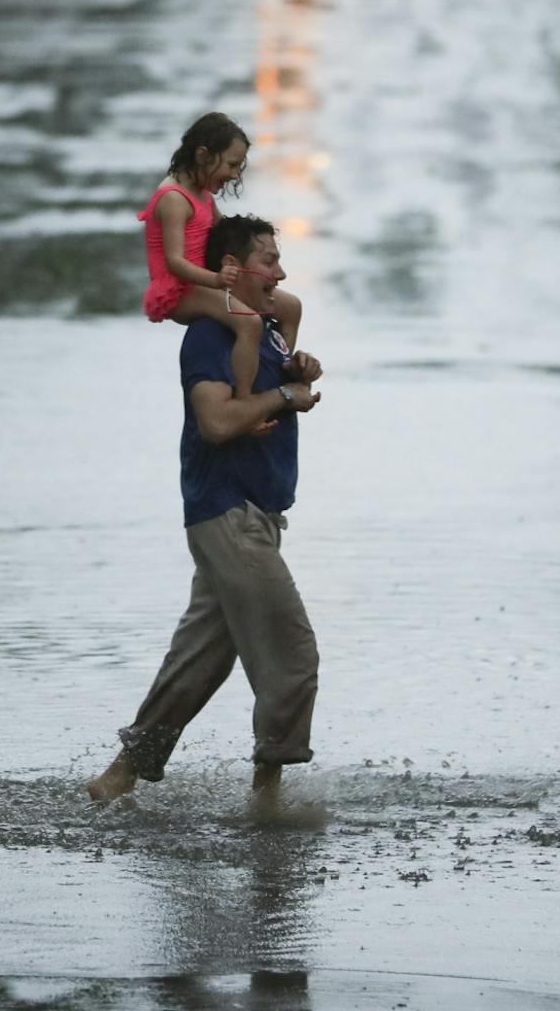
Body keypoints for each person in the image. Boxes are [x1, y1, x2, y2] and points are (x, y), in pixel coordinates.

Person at [87, 212, 324, 805]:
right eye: (269, 260)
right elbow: (217, 422)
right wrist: (284, 395)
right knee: (292, 654)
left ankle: (121, 774)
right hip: (229, 513)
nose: (281, 271)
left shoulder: (262, 328)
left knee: (198, 660)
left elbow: (276, 368)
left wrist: (294, 369)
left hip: (254, 517)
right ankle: (268, 795)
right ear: (234, 269)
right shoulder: (210, 336)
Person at [138, 112, 303, 400]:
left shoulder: (202, 193)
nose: (235, 174)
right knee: (249, 321)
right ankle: (245, 397)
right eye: (231, 165)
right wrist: (216, 279)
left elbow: (223, 231)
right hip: (180, 289)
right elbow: (175, 262)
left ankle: (280, 368)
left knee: (290, 307)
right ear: (203, 155)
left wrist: (256, 247)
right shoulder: (174, 199)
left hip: (207, 281)